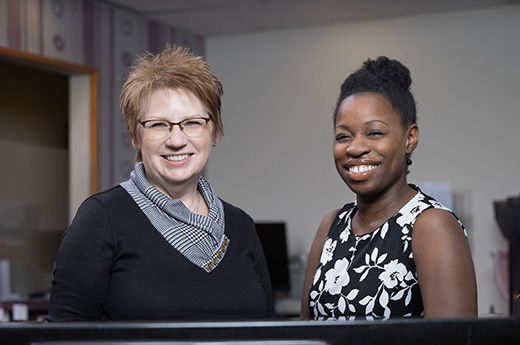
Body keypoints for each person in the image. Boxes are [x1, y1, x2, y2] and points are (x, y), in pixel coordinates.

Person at [46, 45, 275, 321]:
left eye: (192, 123)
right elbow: (62, 337)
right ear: (135, 136)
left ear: (213, 131)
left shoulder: (241, 226)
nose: (176, 140)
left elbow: (268, 331)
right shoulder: (101, 219)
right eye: (158, 125)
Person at [300, 57, 477, 320]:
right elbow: (305, 333)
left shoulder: (431, 226)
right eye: (343, 136)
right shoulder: (331, 226)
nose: (355, 147)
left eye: (374, 133)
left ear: (410, 138)